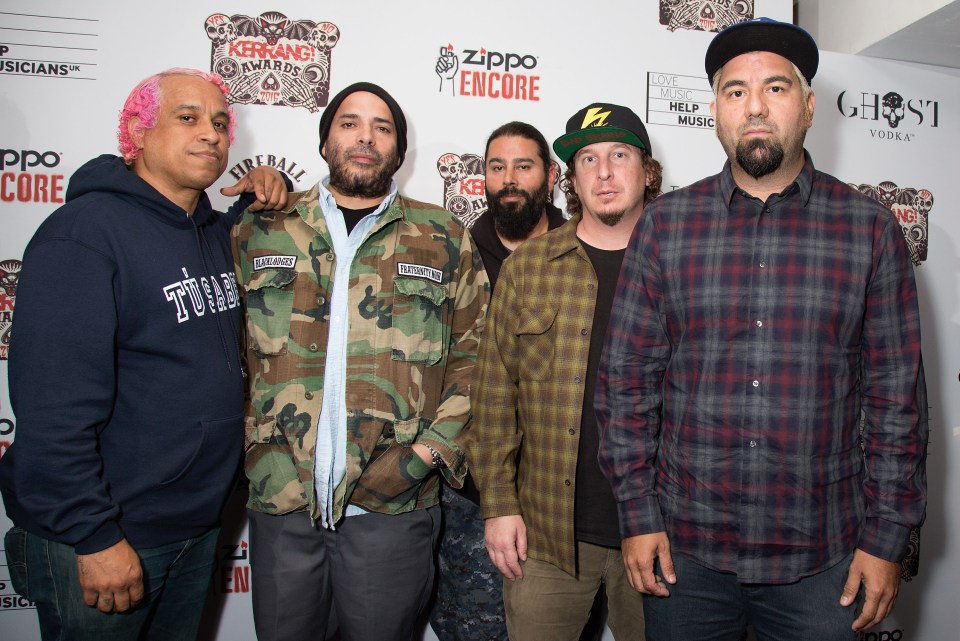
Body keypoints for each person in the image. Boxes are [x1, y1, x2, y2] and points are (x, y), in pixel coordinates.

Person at [595, 17, 928, 641]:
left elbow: (896, 401)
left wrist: (887, 536)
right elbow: (626, 386)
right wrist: (637, 514)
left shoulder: (871, 230)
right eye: (734, 91)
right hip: (685, 556)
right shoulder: (666, 227)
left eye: (775, 88)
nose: (754, 107)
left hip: (824, 560)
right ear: (716, 111)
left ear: (807, 108)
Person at [0, 67, 289, 641]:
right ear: (137, 131)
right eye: (188, 118)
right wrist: (95, 536)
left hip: (194, 527)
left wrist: (266, 184)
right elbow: (54, 410)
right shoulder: (83, 235)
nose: (211, 134)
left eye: (219, 122)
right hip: (109, 535)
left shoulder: (209, 232)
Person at [232, 81, 488, 641]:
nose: (365, 138)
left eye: (383, 128)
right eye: (349, 123)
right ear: (325, 142)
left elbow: (478, 357)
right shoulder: (259, 228)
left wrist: (422, 458)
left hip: (392, 511)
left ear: (399, 150)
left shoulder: (442, 236)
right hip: (282, 503)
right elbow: (225, 352)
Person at [469, 104, 663, 641]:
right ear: (571, 179)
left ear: (647, 170)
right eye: (588, 159)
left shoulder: (684, 261)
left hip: (661, 530)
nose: (604, 172)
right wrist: (499, 505)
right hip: (547, 533)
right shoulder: (528, 267)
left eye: (619, 155)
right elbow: (492, 397)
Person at [431, 121, 565, 641]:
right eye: (496, 166)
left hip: (560, 494)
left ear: (550, 177)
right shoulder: (451, 253)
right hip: (472, 493)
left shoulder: (581, 250)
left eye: (524, 166)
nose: (509, 179)